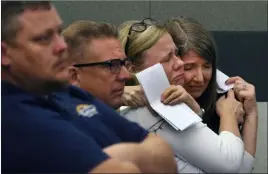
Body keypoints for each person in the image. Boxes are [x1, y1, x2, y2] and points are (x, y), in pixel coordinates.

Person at [1, 2, 177, 173]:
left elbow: (165, 157)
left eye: (58, 33)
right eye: (44, 38)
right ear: (4, 54)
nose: (61, 46)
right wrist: (135, 157)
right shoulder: (14, 117)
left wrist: (122, 154)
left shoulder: (69, 94)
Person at [118, 18, 256, 173]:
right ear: (131, 68)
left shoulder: (129, 107)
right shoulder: (159, 107)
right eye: (167, 58)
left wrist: (251, 112)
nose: (180, 64)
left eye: (176, 54)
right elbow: (232, 165)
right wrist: (229, 114)